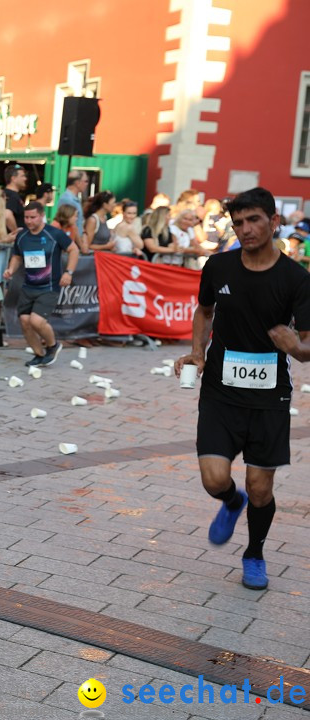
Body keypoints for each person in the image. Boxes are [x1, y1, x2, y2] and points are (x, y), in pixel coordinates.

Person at [174, 187, 310, 591]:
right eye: (238, 223)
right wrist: (197, 352)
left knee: (260, 486)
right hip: (220, 390)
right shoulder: (218, 266)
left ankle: (254, 552)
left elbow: (307, 345)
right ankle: (232, 503)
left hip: (269, 396)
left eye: (254, 220)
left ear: (274, 221)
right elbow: (204, 311)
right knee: (215, 480)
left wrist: (297, 350)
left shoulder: (296, 279)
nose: (246, 229)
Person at [3, 201, 80, 366]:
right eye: (26, 217)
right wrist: (10, 269)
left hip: (49, 287)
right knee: (24, 321)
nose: (29, 221)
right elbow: (17, 256)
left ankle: (53, 345)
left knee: (36, 321)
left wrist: (69, 272)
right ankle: (39, 355)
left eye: (33, 217)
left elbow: (74, 250)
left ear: (42, 216)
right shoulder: (22, 236)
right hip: (28, 286)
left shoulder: (54, 233)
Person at [58, 170, 89, 238]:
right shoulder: (67, 199)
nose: (87, 184)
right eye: (86, 181)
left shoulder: (73, 199)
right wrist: (81, 244)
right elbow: (71, 225)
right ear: (78, 183)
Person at [2, 164, 27, 228]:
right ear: (13, 179)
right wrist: (16, 233)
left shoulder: (5, 194)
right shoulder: (12, 196)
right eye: (22, 176)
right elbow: (7, 215)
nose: (25, 179)